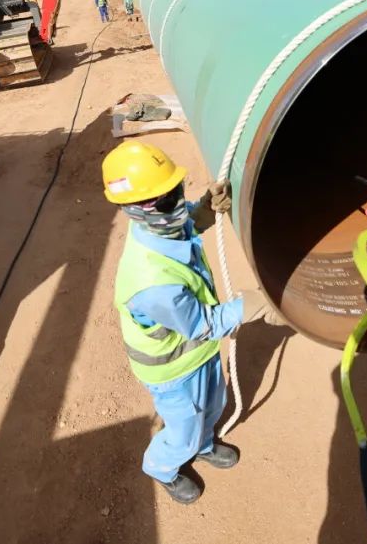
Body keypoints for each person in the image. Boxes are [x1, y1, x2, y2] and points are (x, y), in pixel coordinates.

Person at [102, 141, 279, 504]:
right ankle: (162, 467)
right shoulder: (151, 283)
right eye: (166, 200)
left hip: (200, 354)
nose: (175, 202)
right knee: (183, 430)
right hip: (174, 371)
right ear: (133, 210)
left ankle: (204, 445)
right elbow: (203, 324)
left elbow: (182, 225)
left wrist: (204, 211)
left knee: (213, 406)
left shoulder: (159, 225)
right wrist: (252, 306)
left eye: (176, 190)